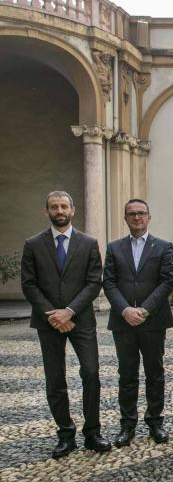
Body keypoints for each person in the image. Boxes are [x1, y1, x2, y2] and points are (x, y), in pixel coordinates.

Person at [20, 191, 110, 458]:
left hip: (80, 320)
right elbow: (29, 284)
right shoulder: (33, 244)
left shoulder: (88, 242)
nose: (59, 210)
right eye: (53, 207)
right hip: (48, 322)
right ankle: (65, 434)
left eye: (63, 206)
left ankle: (92, 432)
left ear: (73, 210)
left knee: (91, 373)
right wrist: (53, 314)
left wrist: (69, 311)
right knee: (55, 379)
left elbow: (94, 282)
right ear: (45, 211)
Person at [102, 199, 173, 446]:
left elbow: (167, 282)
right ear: (125, 218)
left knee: (155, 373)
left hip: (153, 321)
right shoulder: (114, 248)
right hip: (123, 322)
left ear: (149, 216)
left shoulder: (163, 247)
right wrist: (124, 310)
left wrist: (144, 310)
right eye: (132, 214)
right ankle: (127, 425)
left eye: (141, 213)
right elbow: (109, 282)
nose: (137, 218)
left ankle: (155, 422)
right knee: (127, 374)